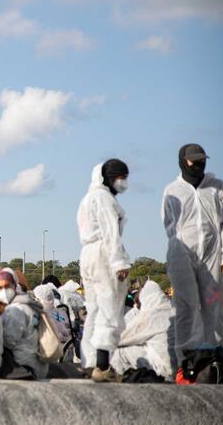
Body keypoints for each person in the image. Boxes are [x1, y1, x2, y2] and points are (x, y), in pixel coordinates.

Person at [161, 143, 223, 380]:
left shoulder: (217, 187)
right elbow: (168, 223)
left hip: (214, 253)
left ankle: (218, 359)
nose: (198, 165)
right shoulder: (172, 190)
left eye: (202, 160)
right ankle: (187, 362)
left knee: (216, 306)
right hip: (182, 253)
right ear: (183, 161)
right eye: (193, 161)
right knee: (186, 307)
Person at [77, 159, 132, 382]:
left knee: (94, 310)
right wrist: (119, 262)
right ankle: (102, 364)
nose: (124, 182)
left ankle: (89, 362)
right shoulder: (103, 198)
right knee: (109, 307)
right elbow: (111, 232)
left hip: (87, 255)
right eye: (121, 177)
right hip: (103, 254)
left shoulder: (87, 199)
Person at [111, 280, 175, 380]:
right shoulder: (173, 310)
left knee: (120, 350)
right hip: (181, 366)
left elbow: (120, 339)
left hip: (165, 369)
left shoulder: (151, 315)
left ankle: (116, 381)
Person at [0, 270, 48, 380]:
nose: (4, 291)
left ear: (14, 286)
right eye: (0, 288)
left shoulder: (15, 310)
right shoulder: (28, 304)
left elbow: (8, 341)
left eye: (7, 286)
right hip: (37, 363)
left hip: (23, 366)